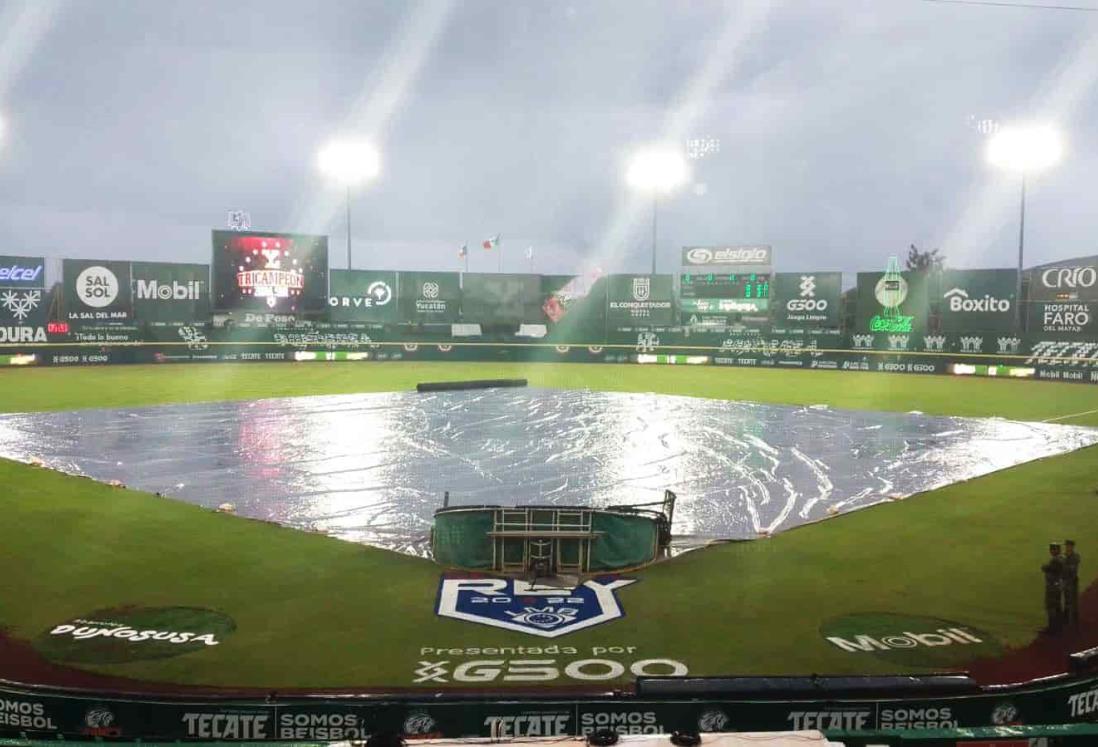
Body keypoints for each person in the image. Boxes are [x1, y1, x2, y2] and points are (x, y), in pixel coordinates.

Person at [1041, 543, 1064, 635]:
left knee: (1051, 607)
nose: (1051, 551)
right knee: (1057, 606)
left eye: (1053, 549)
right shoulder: (1061, 558)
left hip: (1052, 587)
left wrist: (1045, 567)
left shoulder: (1056, 560)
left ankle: (1052, 628)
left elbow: (1048, 568)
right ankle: (1059, 626)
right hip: (1058, 585)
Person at [1063, 540, 1080, 629]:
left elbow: (1072, 569)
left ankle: (1075, 619)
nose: (1067, 547)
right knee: (1067, 600)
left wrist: (1065, 564)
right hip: (1066, 580)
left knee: (1073, 600)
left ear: (1072, 547)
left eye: (1069, 546)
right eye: (1066, 546)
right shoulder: (1064, 556)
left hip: (1072, 581)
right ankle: (1066, 619)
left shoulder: (1075, 556)